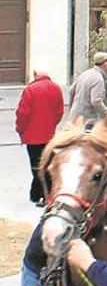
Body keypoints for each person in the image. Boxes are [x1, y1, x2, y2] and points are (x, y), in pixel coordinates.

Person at [16, 69, 64, 206]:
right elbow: (59, 111)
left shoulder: (30, 89)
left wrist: (20, 129)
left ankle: (42, 195)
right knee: (47, 164)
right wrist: (52, 124)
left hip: (32, 137)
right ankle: (36, 194)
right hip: (49, 135)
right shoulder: (56, 88)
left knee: (37, 166)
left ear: (35, 75)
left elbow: (23, 114)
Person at [68, 52, 107, 122]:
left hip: (73, 118)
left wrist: (72, 109)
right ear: (105, 63)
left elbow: (71, 91)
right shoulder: (98, 79)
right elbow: (96, 101)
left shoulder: (84, 74)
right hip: (86, 121)